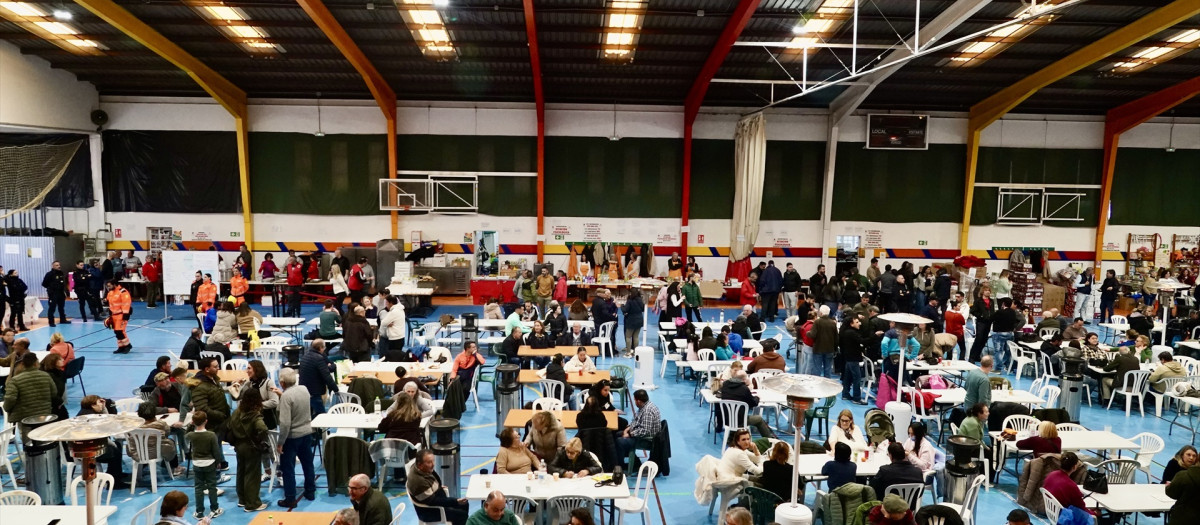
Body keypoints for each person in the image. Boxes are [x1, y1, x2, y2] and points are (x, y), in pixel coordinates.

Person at [276, 368, 317, 507]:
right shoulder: (304, 389)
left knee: (288, 468)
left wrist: (280, 442)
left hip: (292, 437)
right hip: (307, 432)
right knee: (308, 464)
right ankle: (310, 491)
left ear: (282, 382)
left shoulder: (286, 397)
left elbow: (285, 423)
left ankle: (290, 498)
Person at [228, 387, 269, 511]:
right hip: (251, 447)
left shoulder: (236, 412)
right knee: (252, 475)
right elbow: (263, 429)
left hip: (238, 446)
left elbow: (229, 426)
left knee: (241, 472)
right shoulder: (255, 415)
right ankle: (252, 504)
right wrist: (259, 439)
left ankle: (242, 499)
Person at [129, 401, 184, 477]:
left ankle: (142, 465)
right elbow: (167, 433)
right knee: (171, 442)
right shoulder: (161, 424)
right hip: (157, 451)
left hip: (139, 452)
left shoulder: (134, 426)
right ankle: (175, 467)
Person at [186, 411, 224, 519]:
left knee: (198, 488)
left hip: (197, 464)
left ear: (193, 422)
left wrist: (190, 425)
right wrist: (218, 462)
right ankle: (215, 509)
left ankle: (199, 512)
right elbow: (216, 451)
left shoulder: (191, 435)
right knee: (212, 487)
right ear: (206, 421)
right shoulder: (211, 435)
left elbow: (186, 436)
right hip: (210, 463)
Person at [716, 370, 775, 438]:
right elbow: (753, 403)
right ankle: (770, 440)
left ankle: (731, 437)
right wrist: (757, 397)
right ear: (744, 379)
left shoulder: (725, 384)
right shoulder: (744, 389)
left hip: (726, 418)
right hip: (740, 420)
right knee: (759, 419)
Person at [615, 389, 660, 465]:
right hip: (639, 434)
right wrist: (628, 429)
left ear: (639, 401)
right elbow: (637, 421)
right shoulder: (644, 406)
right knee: (617, 434)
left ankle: (620, 466)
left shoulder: (647, 411)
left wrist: (629, 434)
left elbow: (644, 431)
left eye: (635, 400)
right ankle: (634, 461)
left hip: (646, 440)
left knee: (619, 441)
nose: (634, 402)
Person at [300, 339, 338, 417]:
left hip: (304, 390)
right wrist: (336, 389)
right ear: (321, 348)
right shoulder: (318, 358)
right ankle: (321, 428)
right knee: (322, 415)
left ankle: (315, 428)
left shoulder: (305, 356)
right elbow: (327, 376)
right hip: (314, 391)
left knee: (310, 414)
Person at [839, 316, 867, 403]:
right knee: (857, 378)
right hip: (853, 358)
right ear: (851, 324)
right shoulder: (852, 333)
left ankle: (845, 394)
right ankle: (857, 398)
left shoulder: (846, 332)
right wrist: (875, 336)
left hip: (848, 358)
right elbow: (862, 341)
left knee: (847, 377)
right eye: (857, 322)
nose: (859, 323)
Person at [808, 305, 838, 378]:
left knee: (817, 370)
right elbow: (836, 338)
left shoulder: (817, 322)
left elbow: (812, 335)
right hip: (829, 349)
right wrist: (835, 349)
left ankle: (816, 387)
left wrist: (807, 333)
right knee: (827, 370)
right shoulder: (833, 323)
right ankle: (827, 388)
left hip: (818, 349)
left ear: (820, 313)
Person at [105, 279, 134, 353]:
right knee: (116, 331)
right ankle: (121, 347)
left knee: (120, 331)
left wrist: (126, 315)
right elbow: (109, 302)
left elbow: (126, 303)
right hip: (114, 315)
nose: (108, 287)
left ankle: (127, 346)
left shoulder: (123, 292)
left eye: (109, 285)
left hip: (121, 315)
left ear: (114, 284)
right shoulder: (110, 292)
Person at [42, 260, 71, 326]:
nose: (59, 266)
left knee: (61, 307)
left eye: (59, 265)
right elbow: (44, 284)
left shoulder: (61, 273)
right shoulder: (49, 274)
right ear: (53, 266)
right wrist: (51, 288)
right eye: (57, 265)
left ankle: (63, 319)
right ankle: (51, 322)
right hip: (53, 294)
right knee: (52, 308)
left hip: (61, 293)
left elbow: (62, 283)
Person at [621, 287, 645, 354]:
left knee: (628, 336)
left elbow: (625, 310)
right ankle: (635, 352)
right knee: (636, 336)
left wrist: (622, 306)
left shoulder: (630, 301)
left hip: (631, 320)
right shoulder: (640, 300)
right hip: (639, 319)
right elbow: (643, 309)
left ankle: (628, 352)